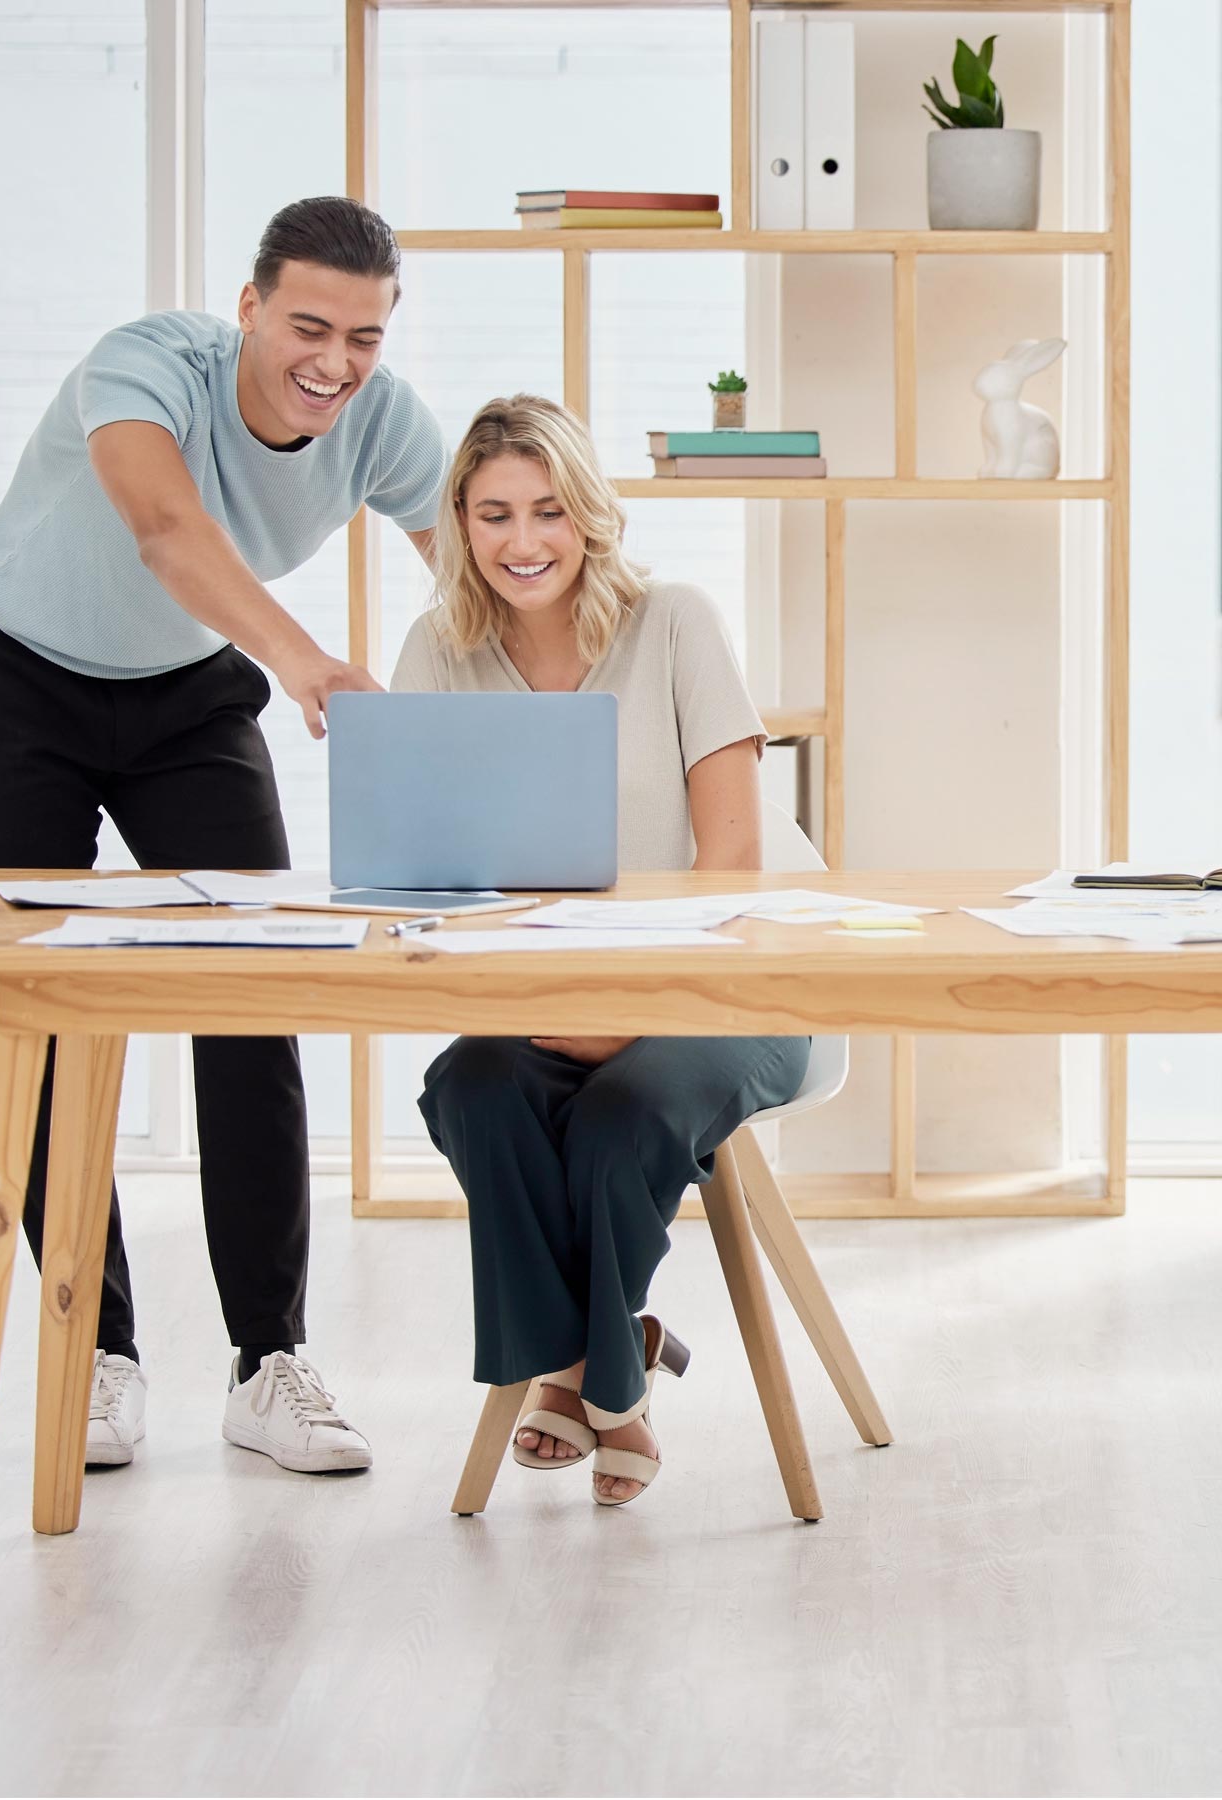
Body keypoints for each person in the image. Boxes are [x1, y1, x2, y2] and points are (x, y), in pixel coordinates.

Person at [0, 196, 448, 1474]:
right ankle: (96, 1351)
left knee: (250, 996)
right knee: (50, 1005)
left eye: (365, 337)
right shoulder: (145, 365)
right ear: (250, 308)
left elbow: (483, 571)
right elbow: (167, 531)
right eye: (309, 327)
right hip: (18, 681)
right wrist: (307, 664)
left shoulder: (385, 421)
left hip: (186, 696)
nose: (334, 363)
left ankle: (268, 1361)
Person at [391, 395, 809, 1507]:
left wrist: (638, 1012)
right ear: (461, 522)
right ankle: (609, 1364)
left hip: (726, 987)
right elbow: (429, 869)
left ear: (589, 514)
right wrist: (545, 1002)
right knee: (473, 1086)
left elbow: (733, 861)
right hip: (543, 996)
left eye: (549, 510)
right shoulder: (437, 651)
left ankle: (584, 1380)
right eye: (494, 514)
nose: (523, 541)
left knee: (623, 1111)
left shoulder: (674, 622)